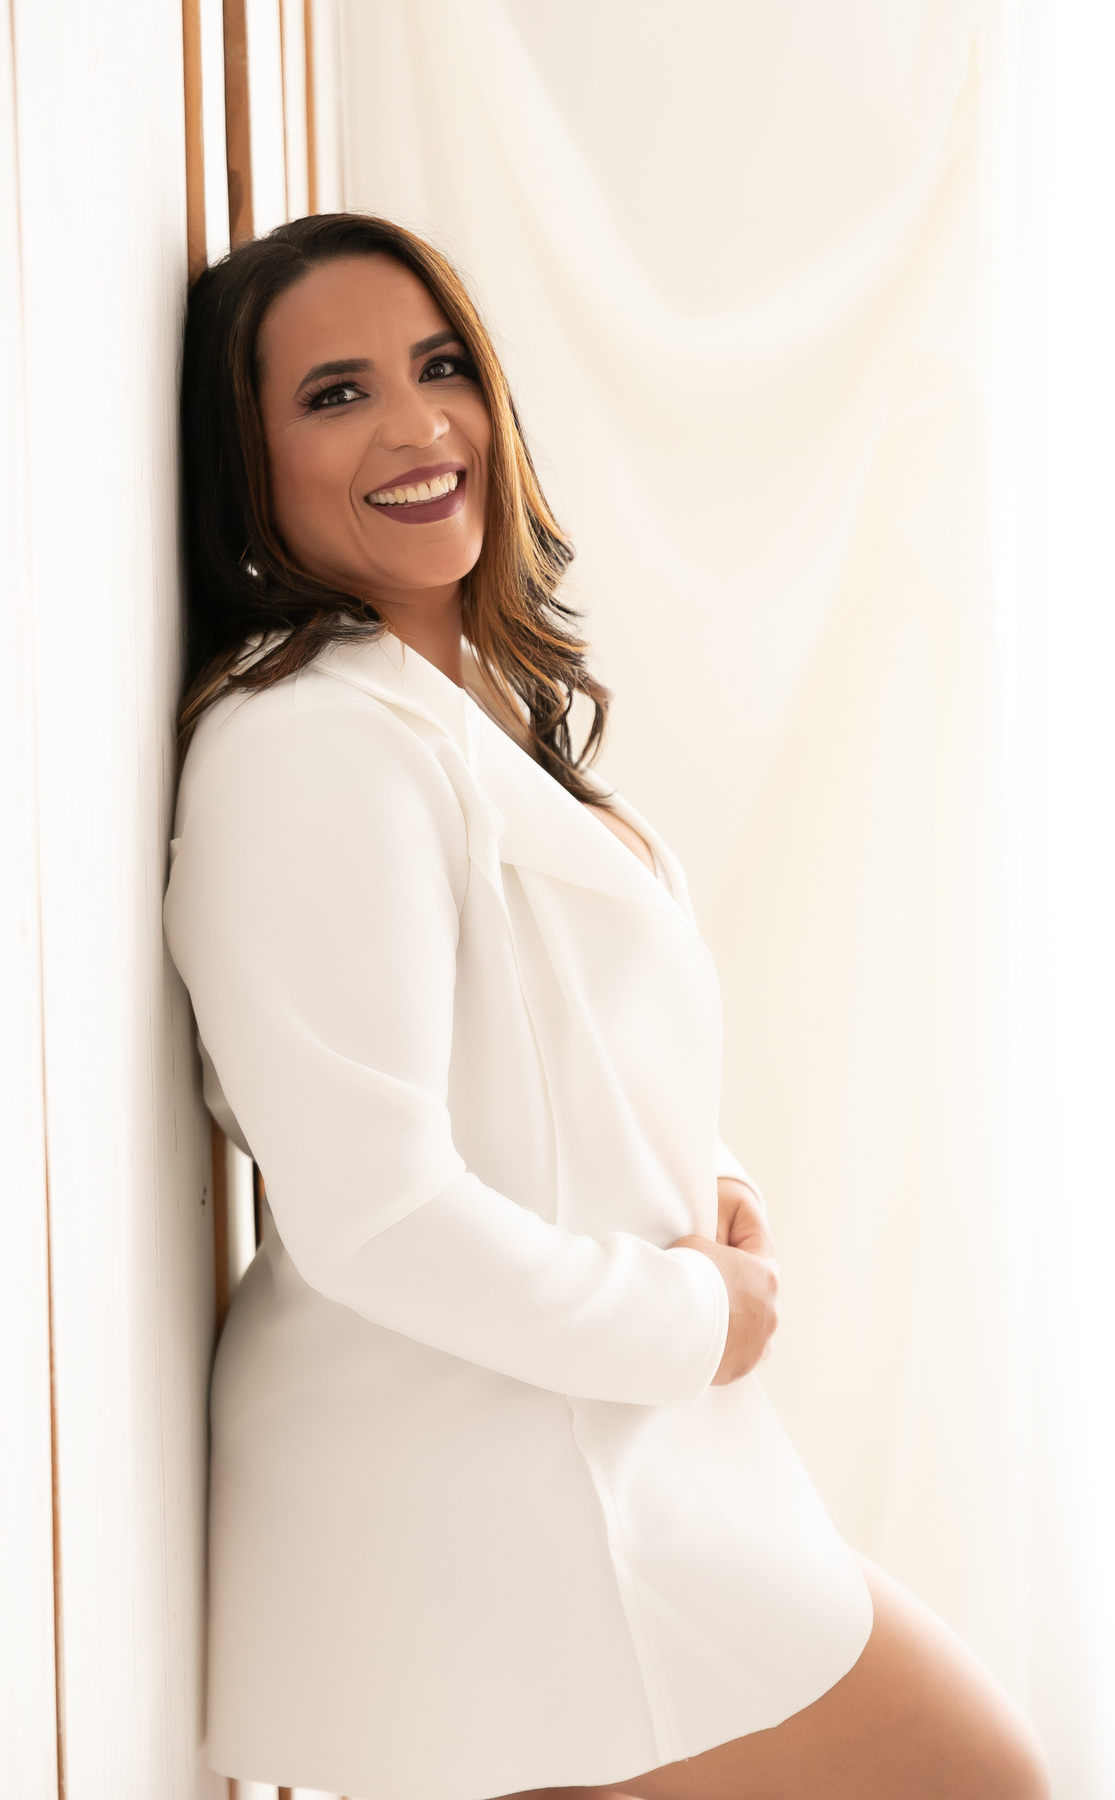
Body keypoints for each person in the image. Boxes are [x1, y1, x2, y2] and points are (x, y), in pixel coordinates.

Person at [164, 214, 1049, 1800]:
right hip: (484, 1484)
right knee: (971, 1771)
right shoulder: (308, 747)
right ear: (248, 463)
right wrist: (694, 1322)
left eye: (441, 367)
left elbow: (551, 1047)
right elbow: (373, 1210)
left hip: (574, 1450)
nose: (417, 424)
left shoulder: (454, 717)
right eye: (336, 394)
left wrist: (703, 1178)